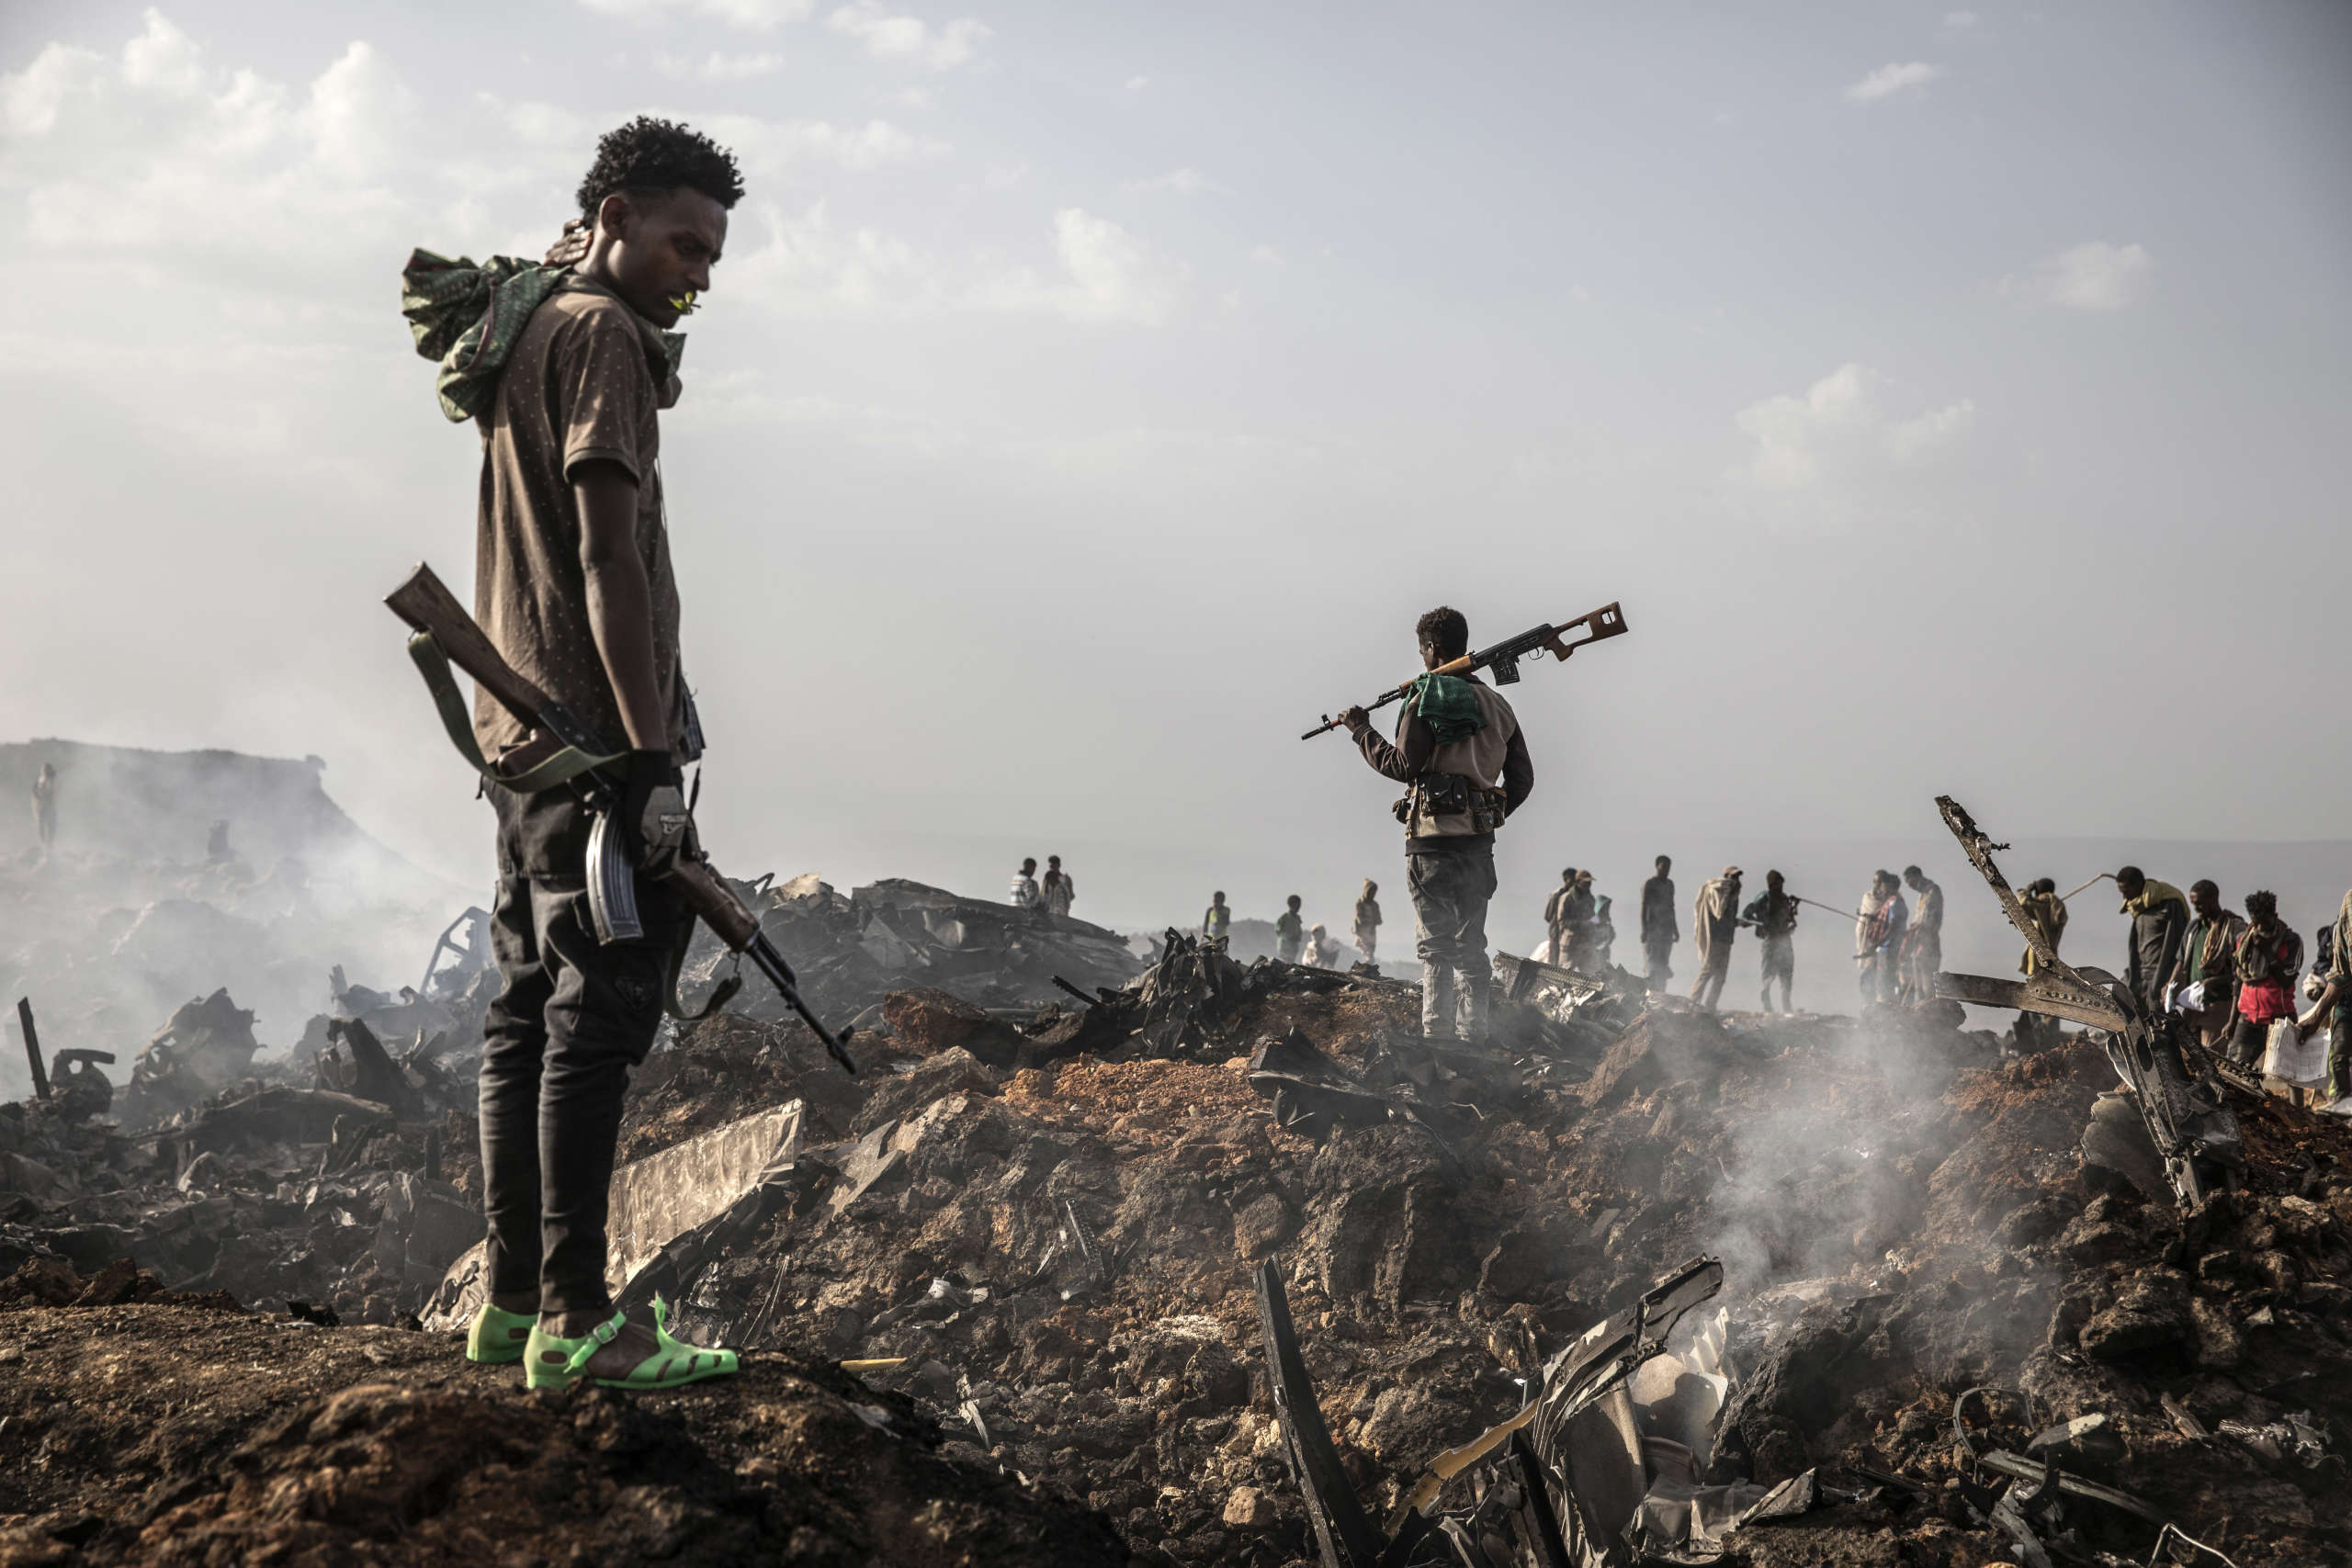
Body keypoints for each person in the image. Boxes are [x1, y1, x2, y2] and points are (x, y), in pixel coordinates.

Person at [459, 117, 746, 1392]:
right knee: (598, 1015)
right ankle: (581, 1320)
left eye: (714, 254)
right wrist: (647, 761)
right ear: (617, 215)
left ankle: (513, 1305)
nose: (701, 273)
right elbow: (606, 554)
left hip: (523, 739)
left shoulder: (529, 322)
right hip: (593, 744)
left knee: (525, 1010)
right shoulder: (605, 337)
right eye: (687, 243)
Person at [1337, 605, 1534, 1042]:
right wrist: (1487, 815)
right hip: (1477, 849)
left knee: (1436, 948)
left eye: (1422, 650)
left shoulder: (1424, 698)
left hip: (1430, 846)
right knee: (1471, 945)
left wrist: (1361, 731)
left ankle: (1437, 1036)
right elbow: (1522, 781)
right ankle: (1474, 1035)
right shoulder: (1499, 705)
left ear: (1431, 647)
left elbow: (1402, 765)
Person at [2226, 891, 2303, 1071]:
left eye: (2264, 922)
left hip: (2279, 1017)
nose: (2260, 927)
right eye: (2256, 922)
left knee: (2281, 1072)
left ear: (2274, 916)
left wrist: (2267, 951)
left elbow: (2286, 980)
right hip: (2247, 1017)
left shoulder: (2291, 941)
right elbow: (2238, 983)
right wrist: (2232, 1021)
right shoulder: (2243, 942)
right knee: (2234, 1069)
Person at [2166, 880, 2245, 1053]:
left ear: (2213, 899)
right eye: (2194, 904)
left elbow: (2243, 972)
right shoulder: (2194, 928)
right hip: (2193, 1004)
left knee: (2211, 1055)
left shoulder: (2233, 928)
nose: (2197, 908)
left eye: (2200, 904)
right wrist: (2170, 985)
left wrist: (2214, 982)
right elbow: (2181, 960)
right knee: (2185, 1052)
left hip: (2219, 1004)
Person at [2295, 886, 2351, 1109]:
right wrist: (2316, 1017)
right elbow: (2341, 974)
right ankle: (2341, 1101)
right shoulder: (2349, 904)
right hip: (2346, 1003)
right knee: (2338, 1054)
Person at [2114, 866, 2189, 1017]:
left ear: (2138, 885)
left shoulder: (2169, 905)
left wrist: (2162, 982)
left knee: (2160, 1020)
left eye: (2126, 891)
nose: (2124, 897)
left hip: (2161, 978)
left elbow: (2176, 945)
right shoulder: (2139, 908)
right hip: (2140, 977)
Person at [2015, 875, 2070, 1049]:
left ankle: (2041, 1039)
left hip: (2039, 958)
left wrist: (2027, 889)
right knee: (2052, 998)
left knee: (2037, 996)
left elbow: (2021, 903)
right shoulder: (2054, 905)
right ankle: (2050, 1038)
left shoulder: (2043, 903)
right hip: (2051, 957)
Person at [1742, 870, 1798, 1014]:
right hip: (1771, 939)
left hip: (1785, 939)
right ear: (1772, 884)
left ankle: (1786, 1005)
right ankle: (1767, 1003)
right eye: (1778, 884)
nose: (1780, 887)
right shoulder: (1763, 898)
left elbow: (1791, 919)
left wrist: (1793, 911)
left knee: (1787, 972)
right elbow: (1747, 913)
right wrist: (1758, 923)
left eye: (1781, 884)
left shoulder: (1784, 899)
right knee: (1769, 973)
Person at [1689, 867, 1743, 1012]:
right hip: (1715, 939)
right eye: (1733, 877)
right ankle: (1692, 1003)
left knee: (1721, 976)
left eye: (1737, 877)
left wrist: (1739, 922)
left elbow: (1729, 918)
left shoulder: (1734, 896)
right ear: (1726, 876)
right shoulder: (1717, 892)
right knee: (1708, 970)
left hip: (1726, 940)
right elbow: (1718, 913)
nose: (1736, 880)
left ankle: (1710, 1007)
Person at [1855, 870, 1907, 1006]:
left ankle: (1885, 1011)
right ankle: (1875, 1009)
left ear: (1890, 886)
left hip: (1889, 949)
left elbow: (1892, 928)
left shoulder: (1895, 902)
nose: (1879, 888)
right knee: (1877, 981)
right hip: (1883, 949)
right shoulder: (1887, 901)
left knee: (1884, 983)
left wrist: (1875, 945)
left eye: (1882, 885)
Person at [1898, 865, 1943, 1005]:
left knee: (1928, 985)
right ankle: (1920, 1012)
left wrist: (1919, 930)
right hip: (1918, 945)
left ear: (1917, 876)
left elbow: (1932, 921)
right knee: (1918, 985)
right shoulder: (1922, 895)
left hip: (1929, 944)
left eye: (1910, 882)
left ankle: (1930, 1011)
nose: (1910, 886)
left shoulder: (1933, 891)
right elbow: (1918, 919)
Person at [1641, 855, 1679, 992]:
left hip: (1666, 930)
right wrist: (1644, 930)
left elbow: (1671, 907)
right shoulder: (1650, 884)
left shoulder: (1670, 884)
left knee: (1663, 963)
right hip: (1653, 929)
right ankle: (1650, 992)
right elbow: (1644, 907)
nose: (1666, 870)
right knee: (1652, 961)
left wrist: (1675, 929)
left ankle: (1662, 992)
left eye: (1668, 867)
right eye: (1663, 867)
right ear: (1657, 866)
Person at [1544, 868, 1579, 967]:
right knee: (1554, 964)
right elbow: (1548, 916)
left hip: (1569, 937)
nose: (1574, 883)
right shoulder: (1557, 895)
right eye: (1572, 880)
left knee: (1565, 965)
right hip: (1556, 934)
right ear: (1565, 879)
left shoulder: (1577, 897)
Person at [28, 763, 56, 855]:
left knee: (50, 827)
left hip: (49, 807)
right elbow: (36, 793)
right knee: (43, 827)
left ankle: (48, 846)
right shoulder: (40, 781)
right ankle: (45, 846)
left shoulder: (50, 779)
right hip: (42, 808)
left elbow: (52, 790)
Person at [1353, 880, 1382, 965]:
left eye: (1374, 892)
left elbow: (1379, 920)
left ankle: (1368, 967)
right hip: (1363, 933)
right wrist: (1370, 921)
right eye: (1371, 891)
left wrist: (1374, 922)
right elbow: (1359, 918)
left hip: (1371, 933)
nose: (1372, 894)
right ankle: (1365, 967)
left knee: (1371, 952)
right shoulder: (1360, 903)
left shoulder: (1375, 905)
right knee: (1367, 953)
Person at [1040, 854, 1075, 919]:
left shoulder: (1065, 879)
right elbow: (1043, 894)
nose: (1052, 868)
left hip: (1062, 911)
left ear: (1059, 865)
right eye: (1051, 866)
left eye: (1054, 865)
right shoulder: (1048, 878)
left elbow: (1071, 896)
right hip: (1049, 911)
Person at [1275, 895, 1306, 964]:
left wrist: (1298, 938)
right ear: (1291, 904)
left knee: (1290, 965)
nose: (1299, 907)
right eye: (1297, 904)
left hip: (1293, 948)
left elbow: (1299, 931)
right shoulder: (1284, 917)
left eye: (1299, 905)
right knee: (1285, 964)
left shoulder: (1298, 918)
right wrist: (1288, 937)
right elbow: (1278, 930)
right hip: (1285, 947)